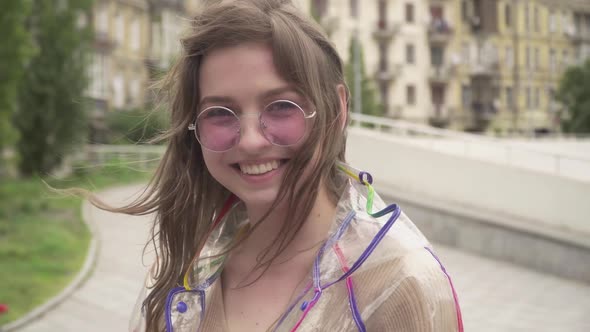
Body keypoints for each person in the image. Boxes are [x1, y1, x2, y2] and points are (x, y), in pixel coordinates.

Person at [95, 0, 463, 331]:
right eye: (220, 113)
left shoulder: (397, 282)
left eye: (283, 107)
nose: (251, 140)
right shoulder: (181, 273)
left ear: (337, 110)